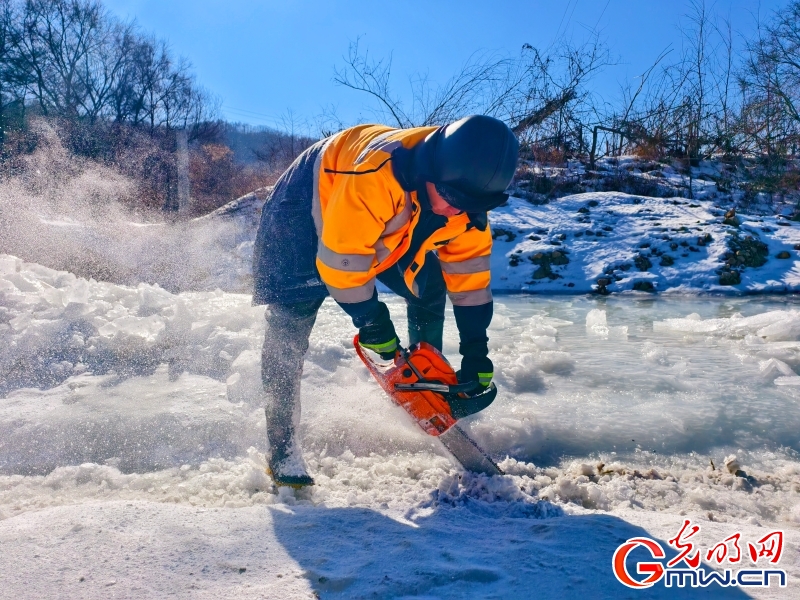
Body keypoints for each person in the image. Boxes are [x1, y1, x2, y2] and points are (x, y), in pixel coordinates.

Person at [252, 115, 519, 486]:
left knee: (430, 286)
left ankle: (427, 385)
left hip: (390, 220)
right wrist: (373, 322)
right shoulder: (377, 175)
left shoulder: (466, 203)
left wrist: (477, 348)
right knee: (292, 316)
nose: (455, 212)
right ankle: (282, 449)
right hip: (307, 200)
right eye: (453, 200)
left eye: (468, 205)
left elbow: (470, 281)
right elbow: (342, 264)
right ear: (433, 169)